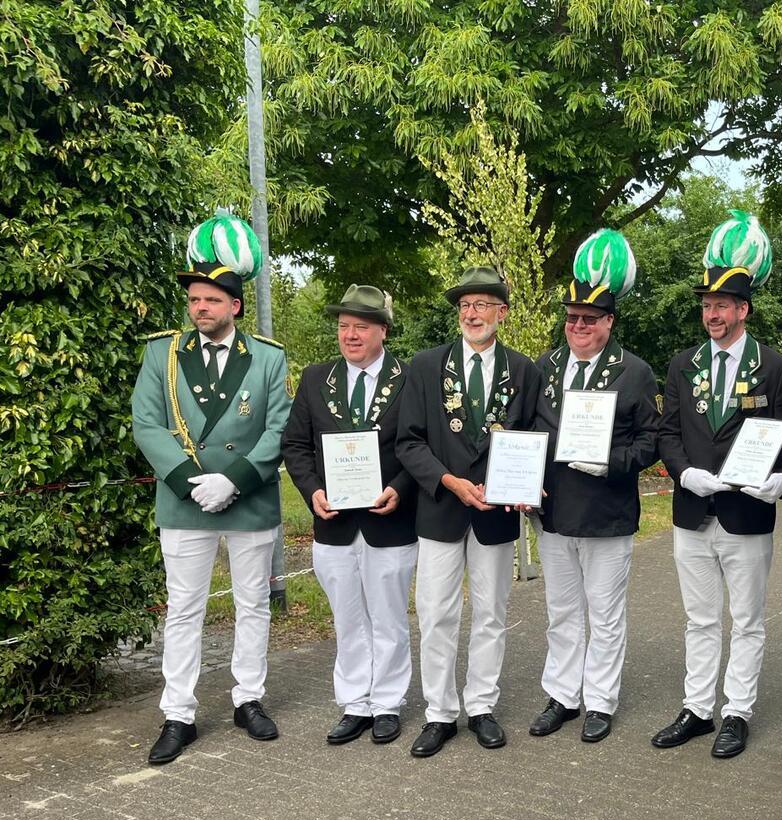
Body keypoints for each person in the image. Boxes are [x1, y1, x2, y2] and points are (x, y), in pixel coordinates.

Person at [131, 213, 290, 764]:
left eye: (212, 300)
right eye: (195, 299)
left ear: (235, 306)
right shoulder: (161, 353)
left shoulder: (268, 357)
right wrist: (187, 481)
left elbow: (278, 428)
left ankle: (249, 699)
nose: (200, 308)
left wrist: (234, 479)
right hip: (184, 503)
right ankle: (179, 713)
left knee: (252, 604)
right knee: (184, 609)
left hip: (249, 502)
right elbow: (147, 424)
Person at [653, 210, 782, 759]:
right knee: (699, 617)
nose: (711, 314)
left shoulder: (774, 366)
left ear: (743, 309)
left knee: (749, 620)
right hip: (693, 511)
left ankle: (737, 711)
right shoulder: (682, 363)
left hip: (746, 514)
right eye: (706, 306)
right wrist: (682, 471)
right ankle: (697, 708)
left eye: (722, 306)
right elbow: (668, 431)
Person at [395, 266, 542, 757]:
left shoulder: (524, 371)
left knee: (492, 614)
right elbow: (409, 440)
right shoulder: (425, 366)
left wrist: (527, 482)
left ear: (501, 312)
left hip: (496, 514)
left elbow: (534, 440)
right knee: (436, 613)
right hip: (440, 507)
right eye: (464, 305)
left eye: (482, 305)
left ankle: (481, 706)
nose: (472, 313)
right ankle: (440, 712)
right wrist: (449, 481)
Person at [527, 230, 660, 743]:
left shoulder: (635, 372)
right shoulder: (544, 366)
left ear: (608, 322)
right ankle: (563, 694)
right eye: (571, 317)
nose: (577, 326)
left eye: (588, 319)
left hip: (606, 510)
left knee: (604, 614)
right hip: (554, 509)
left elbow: (650, 443)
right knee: (562, 611)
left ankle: (600, 701)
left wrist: (609, 463)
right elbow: (529, 434)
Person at [281, 284, 417, 747]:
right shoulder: (316, 378)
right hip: (333, 522)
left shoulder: (410, 377)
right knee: (347, 617)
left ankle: (388, 703)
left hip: (390, 521)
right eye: (343, 327)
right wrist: (312, 490)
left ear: (383, 330)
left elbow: (420, 445)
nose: (350, 335)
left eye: (361, 326)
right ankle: (355, 703)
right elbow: (296, 445)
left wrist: (400, 488)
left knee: (389, 616)